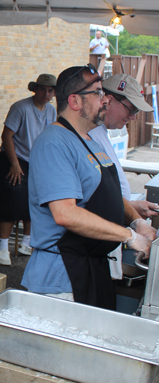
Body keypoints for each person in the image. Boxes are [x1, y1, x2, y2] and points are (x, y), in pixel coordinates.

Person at [21, 64, 156, 310]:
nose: (105, 100)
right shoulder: (54, 143)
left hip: (93, 266)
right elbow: (65, 214)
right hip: (63, 276)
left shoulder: (90, 141)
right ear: (75, 101)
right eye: (98, 93)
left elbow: (109, 195)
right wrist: (130, 236)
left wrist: (138, 222)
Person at [88, 73, 159, 279]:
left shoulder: (101, 132)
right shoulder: (89, 135)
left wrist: (131, 210)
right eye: (131, 109)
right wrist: (133, 225)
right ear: (108, 100)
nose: (133, 117)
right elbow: (87, 201)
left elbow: (106, 192)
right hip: (93, 245)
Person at [0, 74, 57, 266]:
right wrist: (14, 163)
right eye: (43, 89)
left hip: (37, 160)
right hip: (14, 158)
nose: (47, 93)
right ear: (35, 89)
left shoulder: (52, 111)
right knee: (11, 201)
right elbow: (7, 135)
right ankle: (2, 248)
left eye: (51, 90)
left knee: (35, 201)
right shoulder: (21, 107)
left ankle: (26, 242)